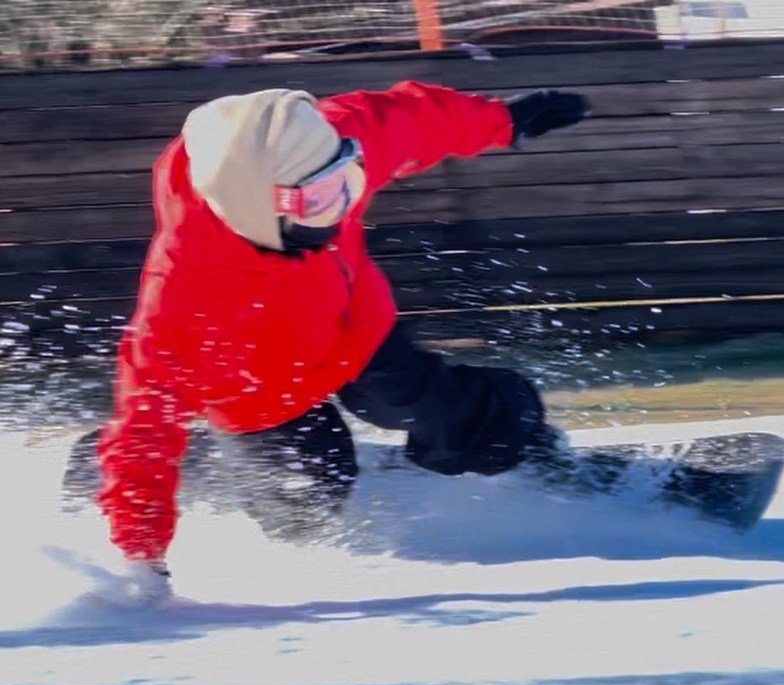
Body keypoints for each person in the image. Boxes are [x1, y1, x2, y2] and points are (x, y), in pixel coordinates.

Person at [92, 79, 591, 595]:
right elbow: (143, 428)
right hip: (255, 389)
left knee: (421, 404)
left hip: (351, 326)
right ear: (254, 203)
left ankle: (526, 445)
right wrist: (141, 557)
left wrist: (502, 121)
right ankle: (200, 471)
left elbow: (402, 119)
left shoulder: (317, 145)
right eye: (320, 198)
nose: (342, 206)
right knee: (305, 501)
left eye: (346, 180)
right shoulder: (180, 297)